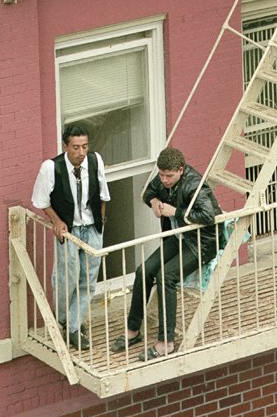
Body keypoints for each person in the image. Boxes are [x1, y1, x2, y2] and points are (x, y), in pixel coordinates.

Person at [112, 146, 223, 359]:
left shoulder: (194, 185)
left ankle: (166, 342)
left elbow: (208, 216)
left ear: (181, 170)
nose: (164, 180)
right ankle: (132, 330)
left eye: (169, 176)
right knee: (143, 271)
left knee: (166, 277)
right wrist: (153, 201)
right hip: (178, 236)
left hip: (201, 242)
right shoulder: (164, 178)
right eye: (161, 175)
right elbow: (148, 192)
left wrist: (177, 212)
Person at [31, 121, 109, 348]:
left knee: (89, 281)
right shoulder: (51, 168)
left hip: (92, 227)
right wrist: (57, 222)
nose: (81, 152)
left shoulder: (95, 161)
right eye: (76, 147)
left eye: (85, 146)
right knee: (67, 279)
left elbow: (103, 195)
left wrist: (100, 223)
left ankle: (73, 327)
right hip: (70, 231)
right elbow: (41, 201)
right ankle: (64, 319)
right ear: (66, 146)